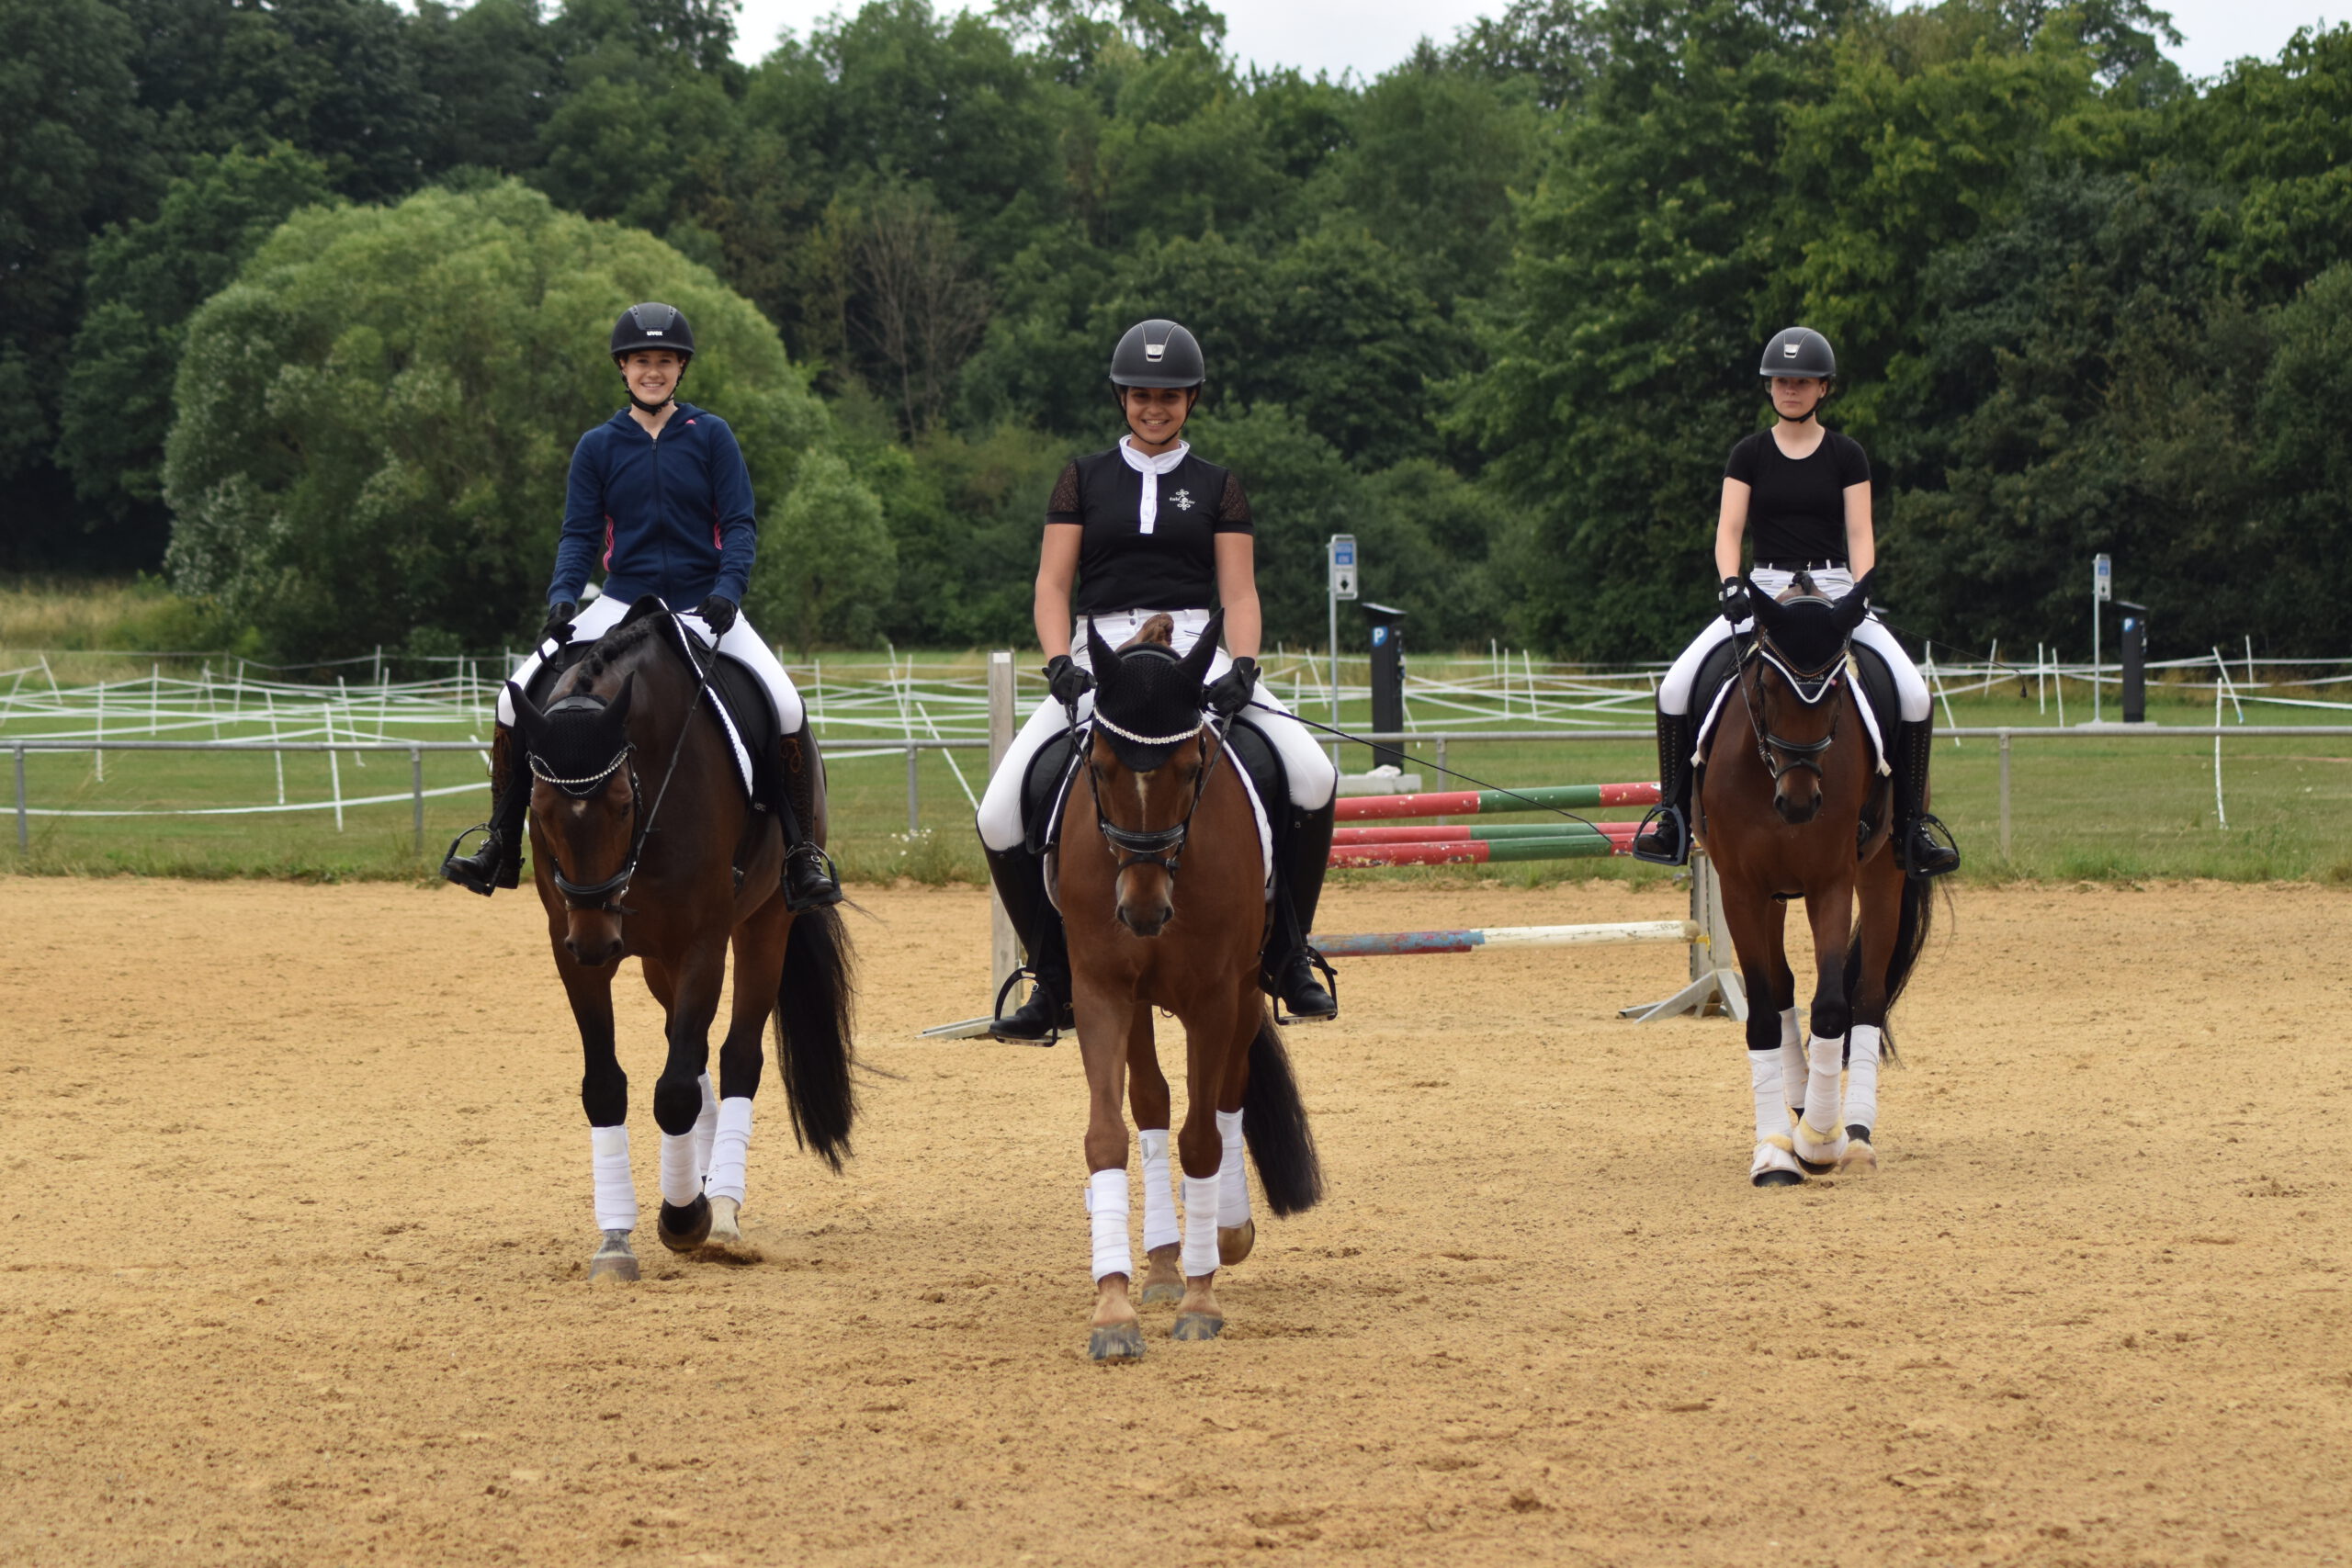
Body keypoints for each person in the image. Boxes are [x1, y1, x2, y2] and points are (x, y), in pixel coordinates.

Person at [975, 319, 1341, 1040]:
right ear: (1122, 398)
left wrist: (1243, 665)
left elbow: (1239, 591)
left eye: (1169, 396)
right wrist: (1058, 660)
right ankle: (1051, 976)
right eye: (1141, 395)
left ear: (1191, 399)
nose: (1154, 408)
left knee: (1312, 773)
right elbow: (1053, 584)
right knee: (997, 815)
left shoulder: (1218, 486)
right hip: (1101, 656)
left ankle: (1289, 952)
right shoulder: (1082, 477)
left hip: (1194, 653)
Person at [441, 302, 842, 911]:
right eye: (640, 361)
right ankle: (500, 840)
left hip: (702, 604)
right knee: (510, 698)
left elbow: (739, 524)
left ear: (680, 368)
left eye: (664, 360)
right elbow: (579, 534)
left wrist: (728, 591)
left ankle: (800, 852)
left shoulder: (711, 435)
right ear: (623, 368)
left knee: (785, 705)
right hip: (620, 601)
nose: (652, 370)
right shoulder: (598, 445)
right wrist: (562, 598)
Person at [1633, 326, 1959, 877]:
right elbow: (1729, 529)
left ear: (1823, 388)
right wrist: (1731, 583)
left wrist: (1861, 588)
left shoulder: (1847, 455)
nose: (1791, 389)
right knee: (1674, 688)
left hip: (1835, 591)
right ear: (1769, 386)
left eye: (1802, 382)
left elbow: (1860, 532)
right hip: (1764, 592)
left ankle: (1912, 827)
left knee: (1914, 695)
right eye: (1781, 380)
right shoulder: (1749, 454)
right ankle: (1673, 818)